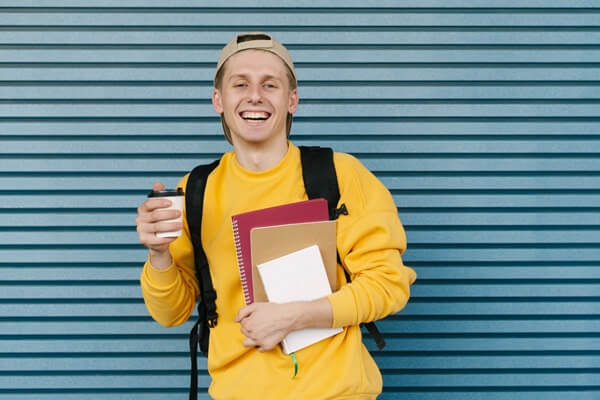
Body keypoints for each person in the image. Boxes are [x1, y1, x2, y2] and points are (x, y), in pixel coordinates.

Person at [137, 32, 417, 399]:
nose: (255, 95)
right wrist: (158, 256)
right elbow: (170, 313)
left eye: (271, 84)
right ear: (218, 100)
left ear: (292, 100)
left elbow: (388, 286)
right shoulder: (196, 191)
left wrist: (294, 316)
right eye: (241, 84)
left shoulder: (338, 174)